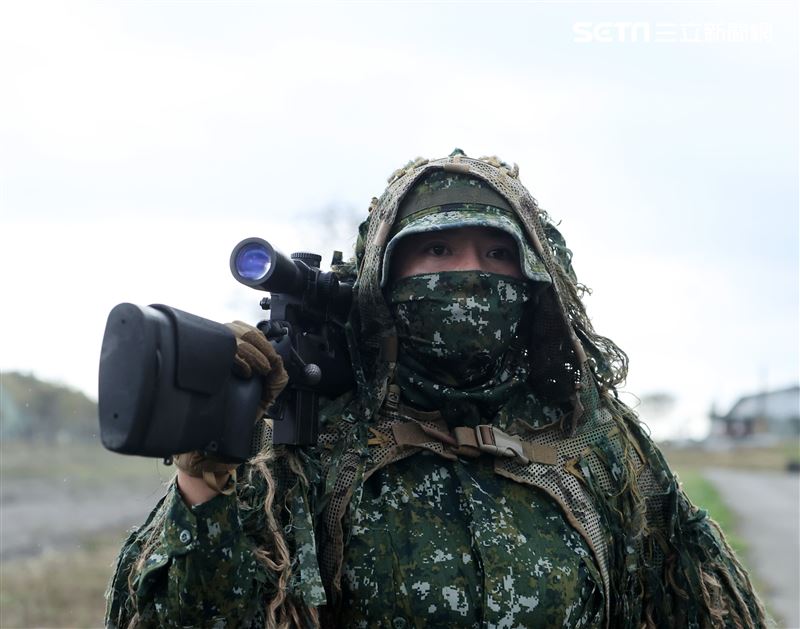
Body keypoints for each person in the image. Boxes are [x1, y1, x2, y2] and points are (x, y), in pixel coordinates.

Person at [105, 150, 769, 628]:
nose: (471, 274)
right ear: (385, 274)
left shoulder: (596, 449)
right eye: (439, 251)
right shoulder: (302, 446)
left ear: (536, 278)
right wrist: (205, 478)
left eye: (496, 252)